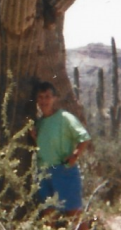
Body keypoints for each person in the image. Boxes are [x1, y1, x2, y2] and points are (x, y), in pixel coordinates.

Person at [31, 81, 92, 226]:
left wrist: (75, 155)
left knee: (74, 214)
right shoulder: (39, 123)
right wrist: (34, 137)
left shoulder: (65, 117)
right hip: (44, 173)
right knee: (48, 215)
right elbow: (43, 147)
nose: (44, 101)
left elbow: (84, 137)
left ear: (55, 98)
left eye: (47, 96)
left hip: (64, 171)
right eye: (40, 97)